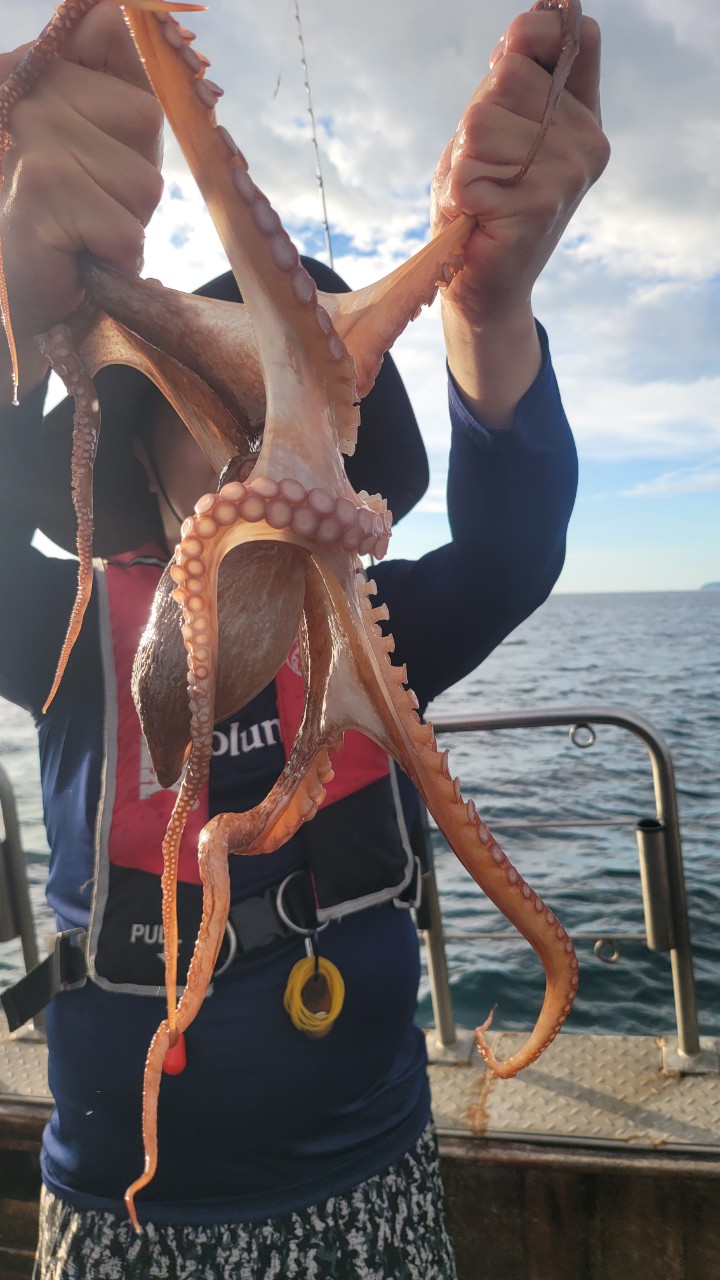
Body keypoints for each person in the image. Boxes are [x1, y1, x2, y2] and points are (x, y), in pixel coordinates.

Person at [0, 3, 609, 1278]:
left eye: (309, 403)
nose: (266, 440)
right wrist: (7, 312)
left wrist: (490, 307)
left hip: (373, 1185)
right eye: (214, 400)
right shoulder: (71, 637)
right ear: (141, 467)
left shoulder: (383, 629)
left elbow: (516, 549)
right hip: (121, 1213)